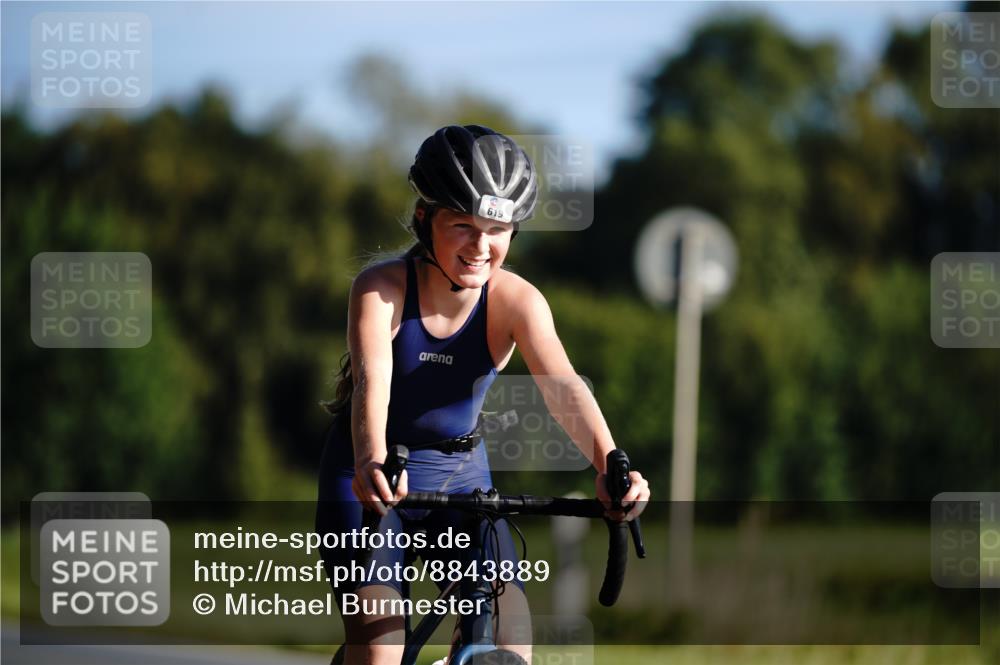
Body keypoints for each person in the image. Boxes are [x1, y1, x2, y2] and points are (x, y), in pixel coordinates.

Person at [315, 125, 650, 665]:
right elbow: (372, 381)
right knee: (380, 648)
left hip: (460, 476)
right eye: (463, 226)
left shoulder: (517, 300)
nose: (481, 246)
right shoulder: (381, 289)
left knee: (508, 639)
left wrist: (612, 464)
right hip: (369, 472)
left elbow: (562, 386)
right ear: (426, 221)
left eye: (498, 229)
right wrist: (370, 461)